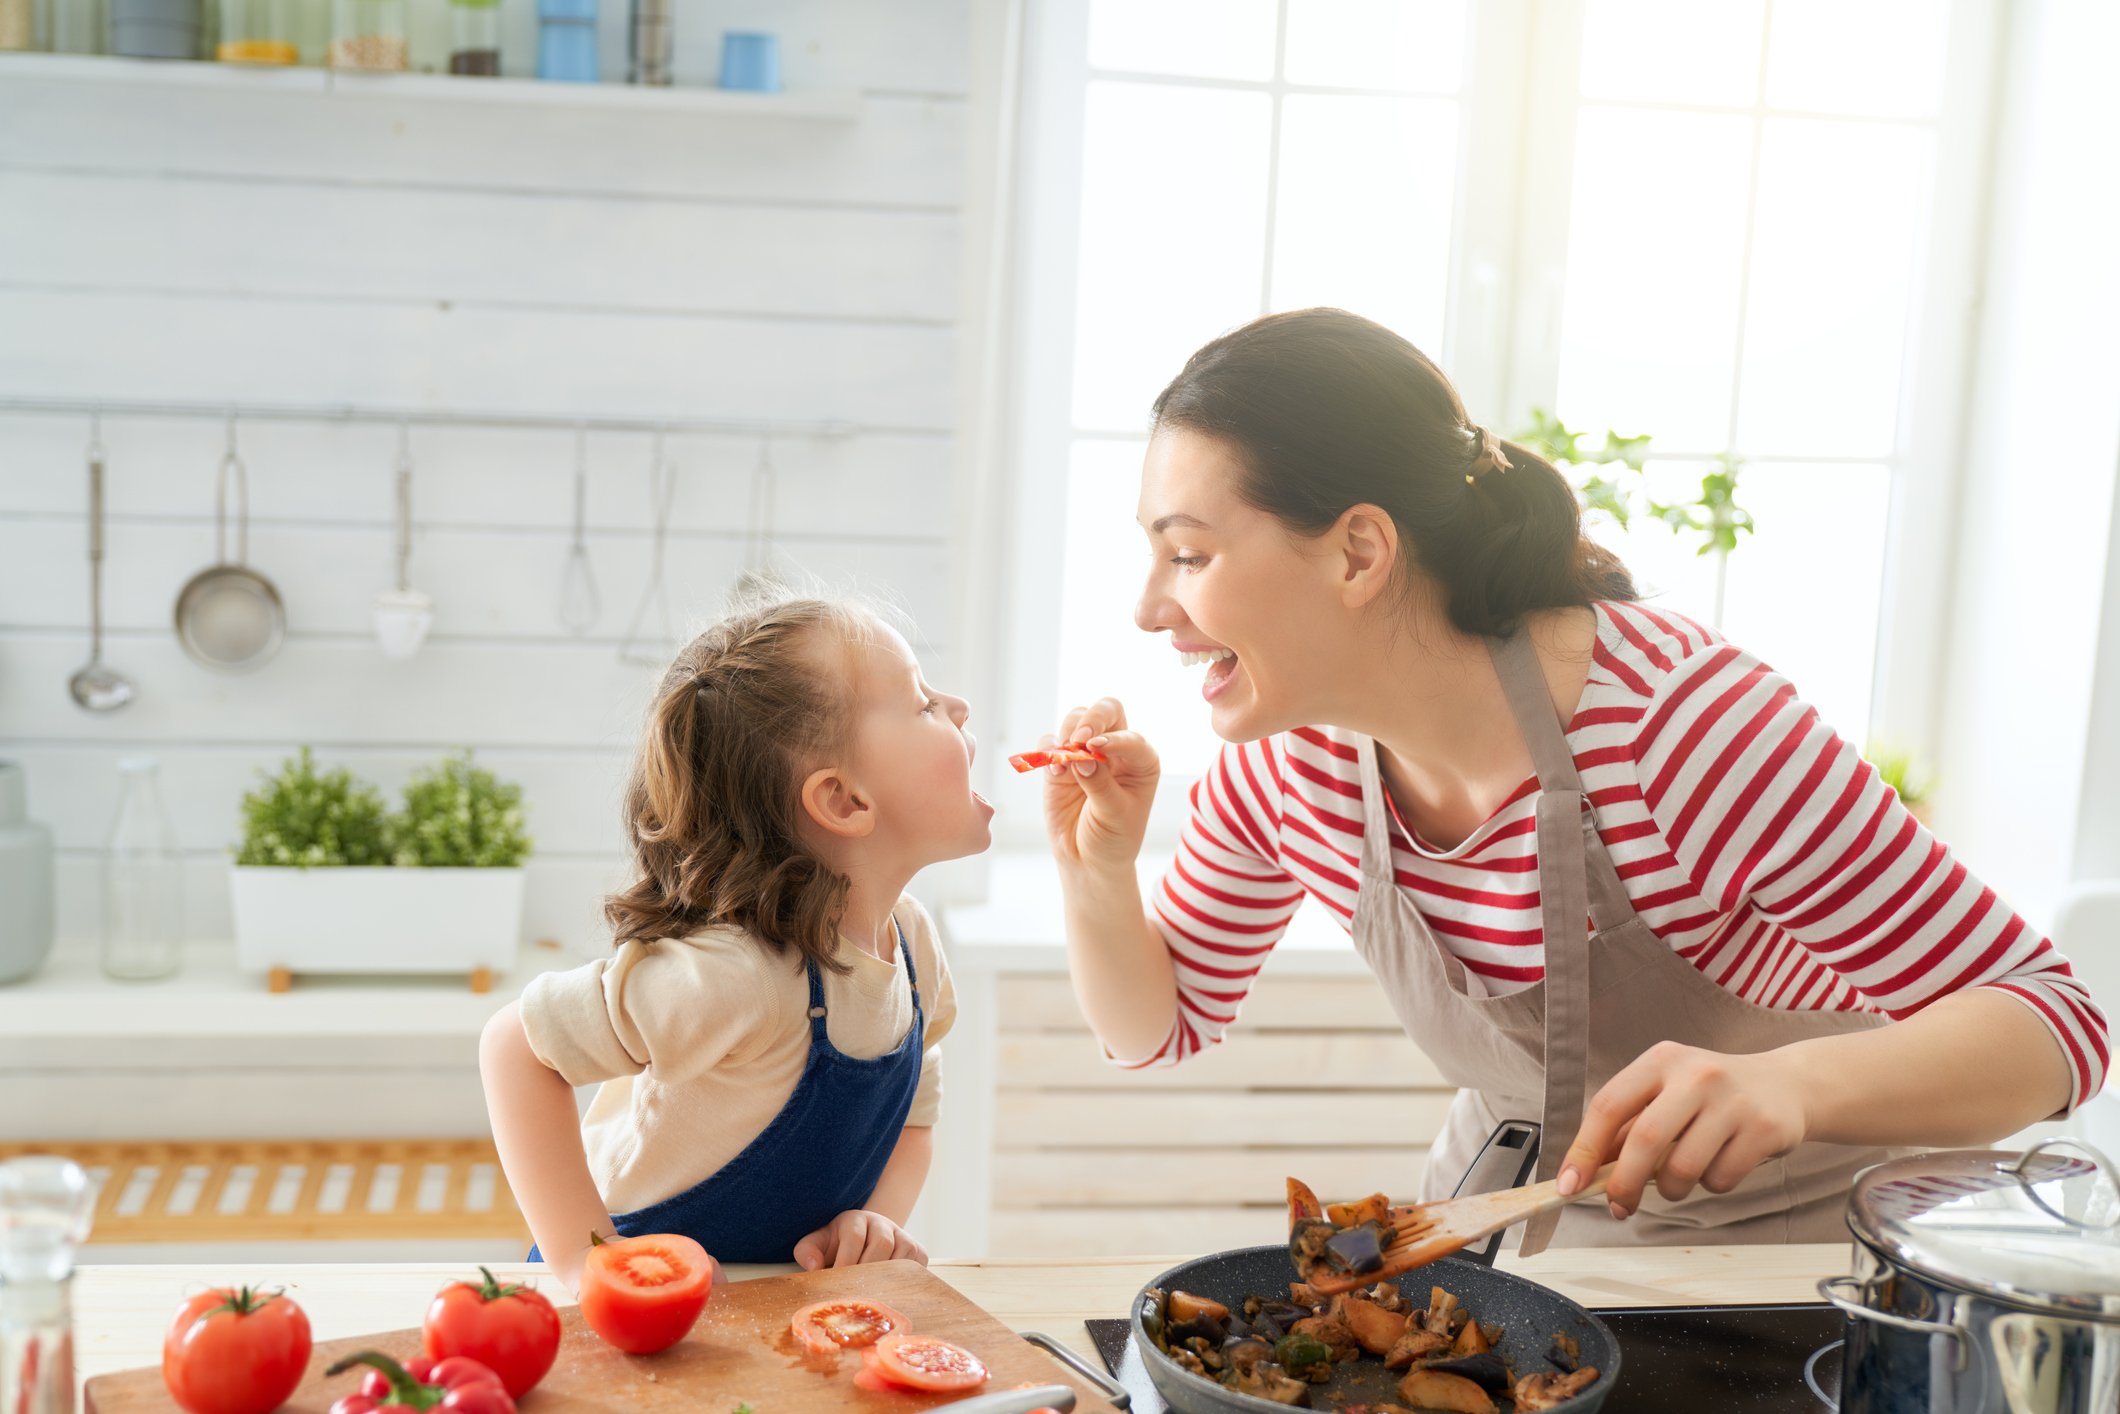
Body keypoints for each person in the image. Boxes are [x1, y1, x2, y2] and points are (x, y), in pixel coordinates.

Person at [1040, 308, 2108, 1251]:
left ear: (1358, 551)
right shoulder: (1287, 769)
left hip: (1786, 1252)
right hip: (1501, 1232)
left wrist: (1791, 1084)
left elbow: (2057, 1025)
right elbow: (1155, 1027)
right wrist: (1097, 870)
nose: (1149, 608)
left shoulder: (1681, 731)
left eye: (1186, 555)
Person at [480, 593, 992, 1289]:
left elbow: (914, 1112)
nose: (958, 706)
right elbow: (515, 1046)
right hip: (624, 1306)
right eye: (923, 704)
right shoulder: (741, 975)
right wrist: (585, 1258)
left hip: (772, 1303)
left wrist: (873, 1221)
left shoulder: (911, 946)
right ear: (845, 801)